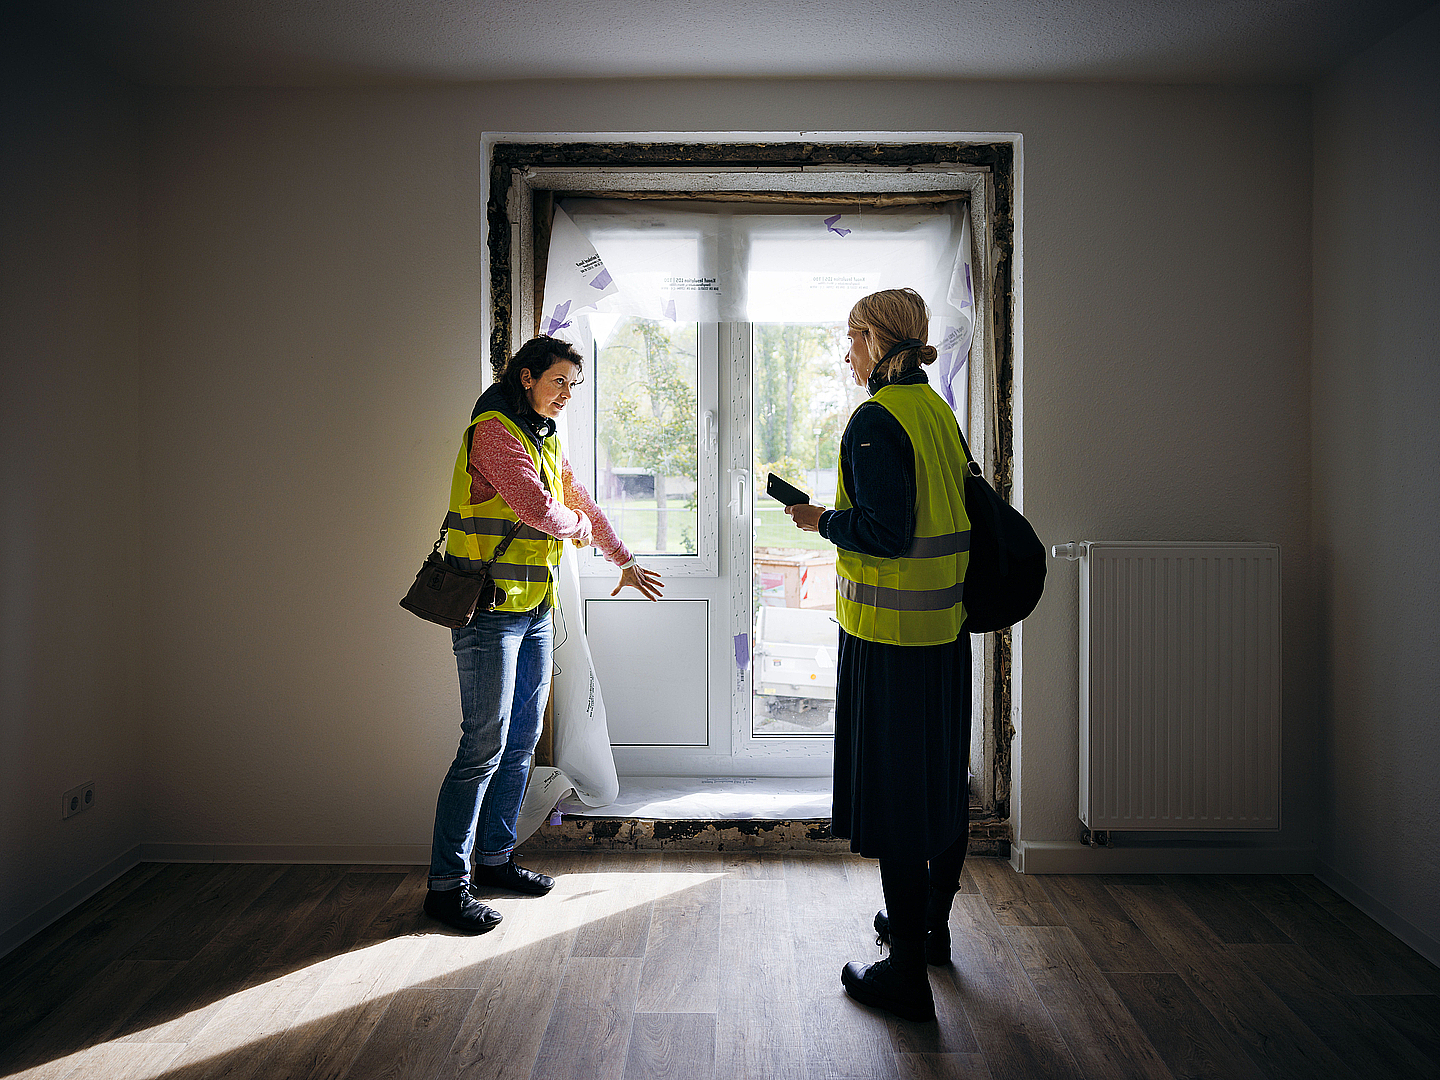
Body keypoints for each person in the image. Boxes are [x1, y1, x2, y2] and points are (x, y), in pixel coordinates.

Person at [424, 335, 664, 934]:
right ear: (527, 377)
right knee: (483, 744)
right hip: (488, 609)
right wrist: (579, 528)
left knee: (524, 738)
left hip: (531, 609)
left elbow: (577, 500)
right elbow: (540, 509)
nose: (567, 395)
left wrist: (624, 559)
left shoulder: (541, 436)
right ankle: (445, 889)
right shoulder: (496, 431)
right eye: (559, 382)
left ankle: (497, 859)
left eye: (573, 385)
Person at [785, 289, 971, 1022]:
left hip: (890, 640)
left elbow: (887, 531)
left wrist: (821, 518)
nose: (847, 350)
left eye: (854, 335)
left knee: (896, 801)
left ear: (880, 341)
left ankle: (906, 978)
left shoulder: (875, 419)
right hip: (944, 633)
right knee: (939, 786)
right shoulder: (937, 412)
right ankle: (928, 930)